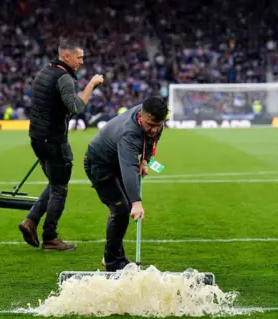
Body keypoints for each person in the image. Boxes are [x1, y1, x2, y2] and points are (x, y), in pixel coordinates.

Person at [18, 40, 104, 251]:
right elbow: (75, 107)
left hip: (37, 138)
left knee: (54, 183)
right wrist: (91, 85)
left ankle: (30, 221)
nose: (82, 62)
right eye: (79, 57)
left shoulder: (44, 72)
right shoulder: (63, 77)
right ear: (66, 57)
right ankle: (50, 237)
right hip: (53, 141)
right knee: (60, 188)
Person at [83, 97, 168, 271]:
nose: (154, 129)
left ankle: (114, 255)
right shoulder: (129, 133)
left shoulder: (154, 119)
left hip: (115, 160)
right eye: (150, 124)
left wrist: (145, 160)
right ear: (142, 116)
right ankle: (113, 261)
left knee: (122, 207)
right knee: (121, 208)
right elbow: (129, 168)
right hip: (99, 164)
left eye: (158, 125)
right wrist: (137, 203)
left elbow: (152, 139)